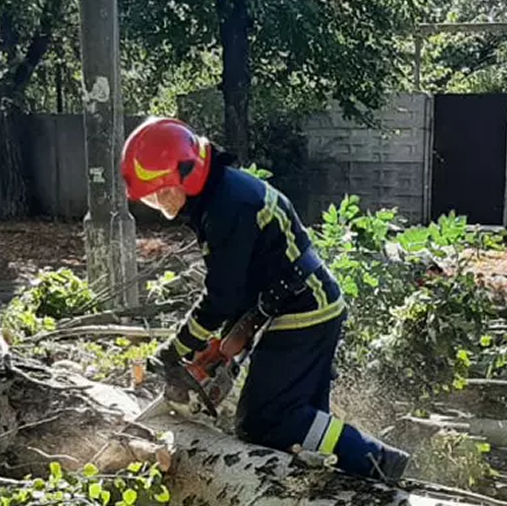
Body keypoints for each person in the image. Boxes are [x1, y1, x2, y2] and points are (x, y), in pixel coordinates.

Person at [120, 116, 410, 481]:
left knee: (264, 420)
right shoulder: (219, 196)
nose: (158, 202)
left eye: (161, 192)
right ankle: (339, 480)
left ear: (187, 172)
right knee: (300, 415)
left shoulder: (228, 207)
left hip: (304, 308)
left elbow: (222, 296)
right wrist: (221, 344)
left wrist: (176, 349)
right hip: (291, 303)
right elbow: (243, 281)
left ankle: (375, 459)